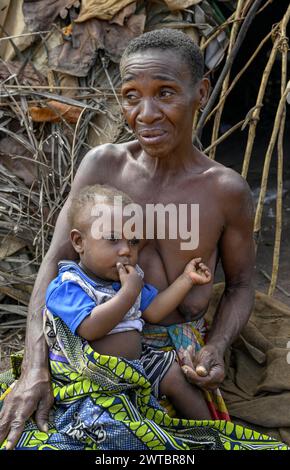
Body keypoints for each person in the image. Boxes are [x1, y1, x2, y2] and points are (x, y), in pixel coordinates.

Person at [0, 28, 256, 449]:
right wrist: (35, 368)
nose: (146, 113)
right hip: (82, 348)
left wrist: (218, 347)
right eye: (131, 95)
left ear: (202, 92)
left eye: (166, 93)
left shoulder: (224, 191)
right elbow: (54, 263)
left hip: (175, 365)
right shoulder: (103, 166)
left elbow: (243, 284)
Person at [44, 184, 212, 420]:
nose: (125, 250)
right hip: (91, 375)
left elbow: (153, 311)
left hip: (137, 365)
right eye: (112, 239)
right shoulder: (68, 286)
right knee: (103, 420)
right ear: (79, 242)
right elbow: (91, 328)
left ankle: (213, 433)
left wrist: (186, 280)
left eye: (133, 242)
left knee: (175, 375)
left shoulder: (129, 280)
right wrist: (128, 293)